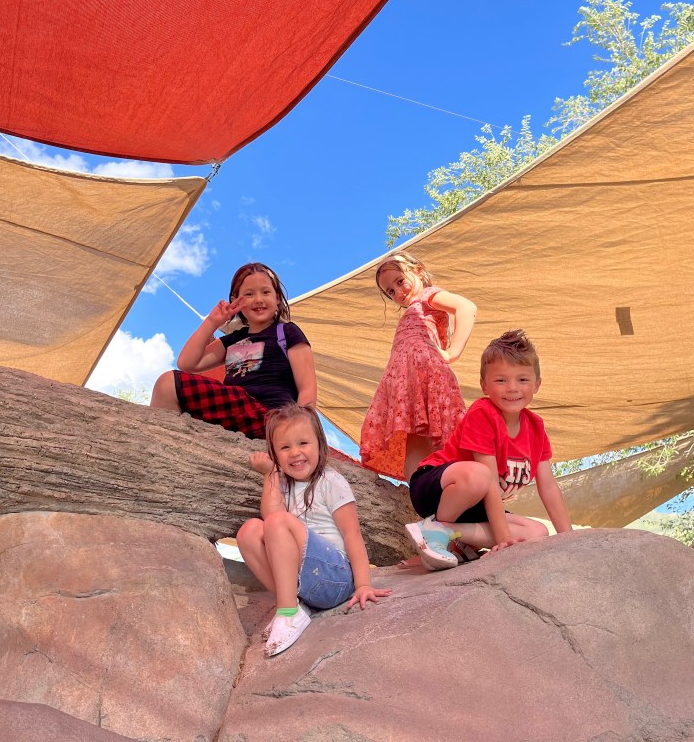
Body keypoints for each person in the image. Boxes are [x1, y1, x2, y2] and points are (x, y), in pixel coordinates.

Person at [403, 329, 573, 570]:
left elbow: (548, 486)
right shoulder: (484, 413)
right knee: (480, 476)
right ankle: (440, 534)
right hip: (438, 488)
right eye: (501, 380)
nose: (512, 388)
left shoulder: (535, 427)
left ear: (537, 385)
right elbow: (489, 481)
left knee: (537, 531)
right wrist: (504, 540)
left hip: (476, 505)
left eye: (522, 379)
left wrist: (569, 538)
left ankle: (442, 534)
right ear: (484, 385)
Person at [238, 404, 391, 657]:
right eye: (285, 448)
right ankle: (293, 607)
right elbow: (270, 515)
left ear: (320, 445)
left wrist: (363, 584)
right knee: (250, 530)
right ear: (275, 455)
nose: (295, 453)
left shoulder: (330, 481)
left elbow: (352, 534)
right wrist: (271, 475)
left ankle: (286, 612)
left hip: (335, 578)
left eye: (303, 443)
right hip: (305, 582)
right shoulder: (283, 483)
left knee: (277, 521)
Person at [150, 262, 316, 438]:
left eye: (266, 292)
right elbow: (187, 363)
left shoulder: (287, 331)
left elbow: (307, 387)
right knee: (166, 384)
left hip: (274, 417)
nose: (258, 299)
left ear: (277, 298)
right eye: (249, 294)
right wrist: (212, 322)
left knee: (171, 382)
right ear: (236, 301)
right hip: (234, 411)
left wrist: (299, 431)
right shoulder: (233, 340)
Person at [360, 252, 477, 482]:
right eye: (390, 292)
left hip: (425, 375)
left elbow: (466, 307)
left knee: (438, 439)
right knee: (412, 435)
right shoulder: (414, 308)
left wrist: (453, 352)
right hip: (406, 381)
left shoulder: (427, 296)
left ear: (419, 272)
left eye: (400, 281)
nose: (397, 292)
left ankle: (447, 490)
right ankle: (421, 494)